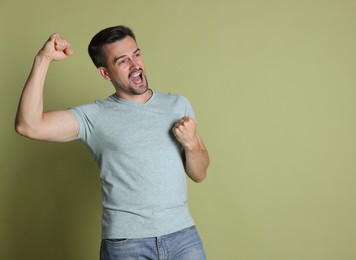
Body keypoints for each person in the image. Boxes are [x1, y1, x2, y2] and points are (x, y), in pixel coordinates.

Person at [15, 25, 210, 260]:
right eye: (123, 61)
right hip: (126, 244)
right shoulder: (94, 117)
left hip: (183, 237)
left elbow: (199, 174)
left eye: (136, 54)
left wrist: (191, 144)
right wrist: (43, 58)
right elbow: (28, 125)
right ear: (105, 73)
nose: (135, 65)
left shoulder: (178, 105)